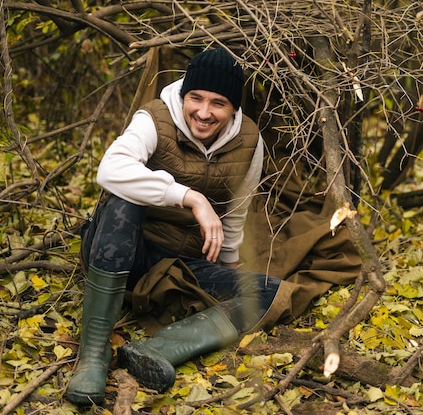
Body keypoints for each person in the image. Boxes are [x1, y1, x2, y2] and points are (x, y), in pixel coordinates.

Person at [64, 48, 282, 406]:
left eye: (218, 103)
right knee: (124, 199)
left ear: (234, 108)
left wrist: (229, 264)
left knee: (268, 292)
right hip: (123, 251)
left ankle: (156, 349)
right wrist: (191, 197)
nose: (203, 112)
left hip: (181, 265)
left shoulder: (249, 140)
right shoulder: (155, 118)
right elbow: (109, 170)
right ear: (183, 94)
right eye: (195, 98)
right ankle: (93, 355)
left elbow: (237, 209)